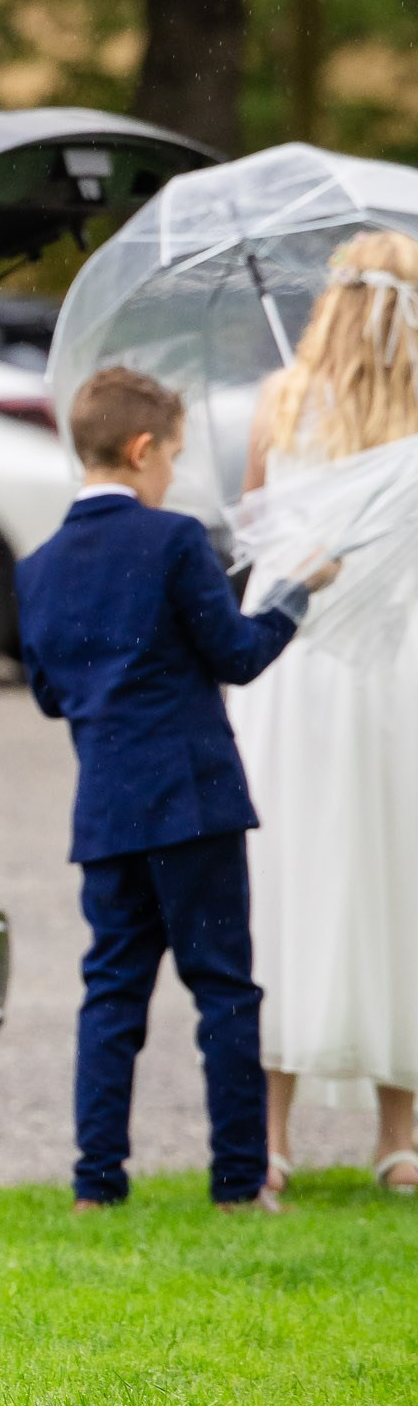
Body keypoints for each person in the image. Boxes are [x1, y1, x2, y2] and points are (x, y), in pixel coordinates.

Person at [14, 364, 332, 1215]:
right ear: (142, 448)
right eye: (174, 457)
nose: (174, 476)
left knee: (112, 995)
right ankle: (237, 1182)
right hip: (192, 802)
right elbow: (235, 654)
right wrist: (296, 596)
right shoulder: (176, 540)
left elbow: (52, 694)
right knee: (223, 988)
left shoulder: (36, 568)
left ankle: (95, 1186)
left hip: (106, 810)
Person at [232, 231, 418, 1197]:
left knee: (286, 878)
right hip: (394, 670)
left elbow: (256, 521)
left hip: (292, 664)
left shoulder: (280, 401)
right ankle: (400, 1142)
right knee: (394, 872)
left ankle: (269, 1142)